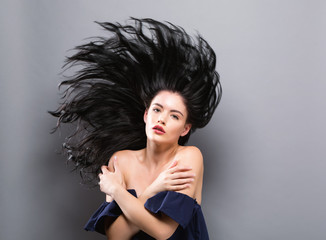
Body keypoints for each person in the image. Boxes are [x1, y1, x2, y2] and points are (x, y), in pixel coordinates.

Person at [50, 18, 222, 240]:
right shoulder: (120, 161)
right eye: (157, 110)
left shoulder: (189, 157)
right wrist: (153, 189)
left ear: (185, 129)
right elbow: (116, 235)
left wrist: (117, 191)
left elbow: (163, 232)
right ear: (145, 115)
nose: (162, 120)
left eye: (174, 116)